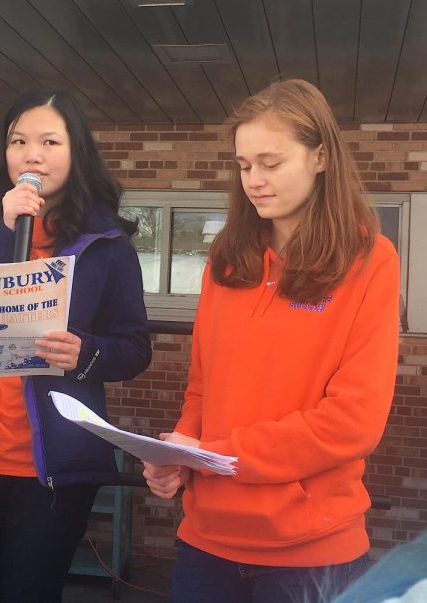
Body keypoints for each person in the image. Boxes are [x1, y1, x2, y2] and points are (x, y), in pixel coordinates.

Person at [141, 79, 400, 603]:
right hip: (205, 540)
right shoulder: (226, 259)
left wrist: (213, 454)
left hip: (310, 551)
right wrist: (179, 452)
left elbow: (352, 423)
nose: (254, 180)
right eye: (243, 165)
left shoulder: (371, 260)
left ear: (320, 156)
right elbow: (202, 387)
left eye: (271, 162)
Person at [0, 89, 151, 602]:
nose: (31, 154)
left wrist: (85, 354)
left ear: (77, 151)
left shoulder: (106, 241)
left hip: (53, 471)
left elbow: (133, 346)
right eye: (17, 140)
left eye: (48, 141)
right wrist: (1, 231)